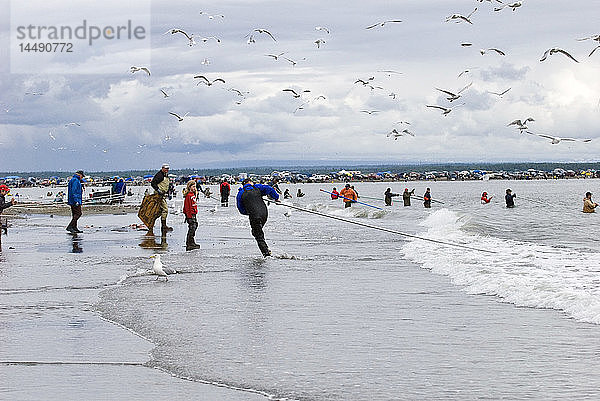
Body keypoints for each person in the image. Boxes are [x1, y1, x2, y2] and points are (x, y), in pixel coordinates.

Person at [236, 178, 280, 257]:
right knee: (256, 232)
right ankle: (266, 248)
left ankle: (267, 255)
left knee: (257, 234)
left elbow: (241, 209)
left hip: (254, 215)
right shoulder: (257, 187)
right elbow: (269, 189)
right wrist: (276, 198)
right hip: (264, 213)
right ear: (250, 182)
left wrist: (248, 212)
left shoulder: (240, 193)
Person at [150, 163, 173, 234]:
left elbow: (166, 185)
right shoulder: (159, 175)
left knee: (159, 211)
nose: (167, 170)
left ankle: (153, 224)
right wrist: (158, 190)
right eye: (165, 168)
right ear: (162, 168)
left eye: (168, 169)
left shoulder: (165, 175)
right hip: (158, 195)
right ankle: (163, 226)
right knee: (165, 209)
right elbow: (153, 183)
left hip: (163, 195)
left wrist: (169, 192)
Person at [183, 180, 200, 250]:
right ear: (189, 187)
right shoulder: (188, 196)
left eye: (195, 186)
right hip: (190, 214)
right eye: (193, 186)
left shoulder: (193, 195)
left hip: (194, 213)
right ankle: (189, 242)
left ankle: (192, 241)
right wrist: (188, 216)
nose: (194, 188)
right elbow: (187, 207)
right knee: (192, 227)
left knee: (195, 226)